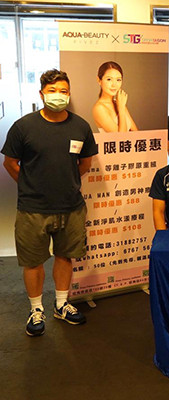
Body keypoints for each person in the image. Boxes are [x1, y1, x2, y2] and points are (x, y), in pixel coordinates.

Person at [2, 69, 98, 336]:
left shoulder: (80, 126)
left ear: (69, 93)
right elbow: (10, 163)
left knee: (65, 256)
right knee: (33, 261)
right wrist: (31, 185)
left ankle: (61, 304)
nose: (58, 95)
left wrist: (65, 183)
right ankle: (36, 309)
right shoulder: (23, 127)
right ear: (42, 94)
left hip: (71, 206)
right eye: (52, 91)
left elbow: (85, 163)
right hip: (33, 209)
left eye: (63, 91)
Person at [92, 61, 138, 133]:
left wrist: (121, 106)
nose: (114, 85)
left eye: (118, 80)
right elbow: (120, 138)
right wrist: (121, 108)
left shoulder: (119, 102)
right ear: (99, 80)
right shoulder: (99, 108)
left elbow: (137, 133)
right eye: (109, 79)